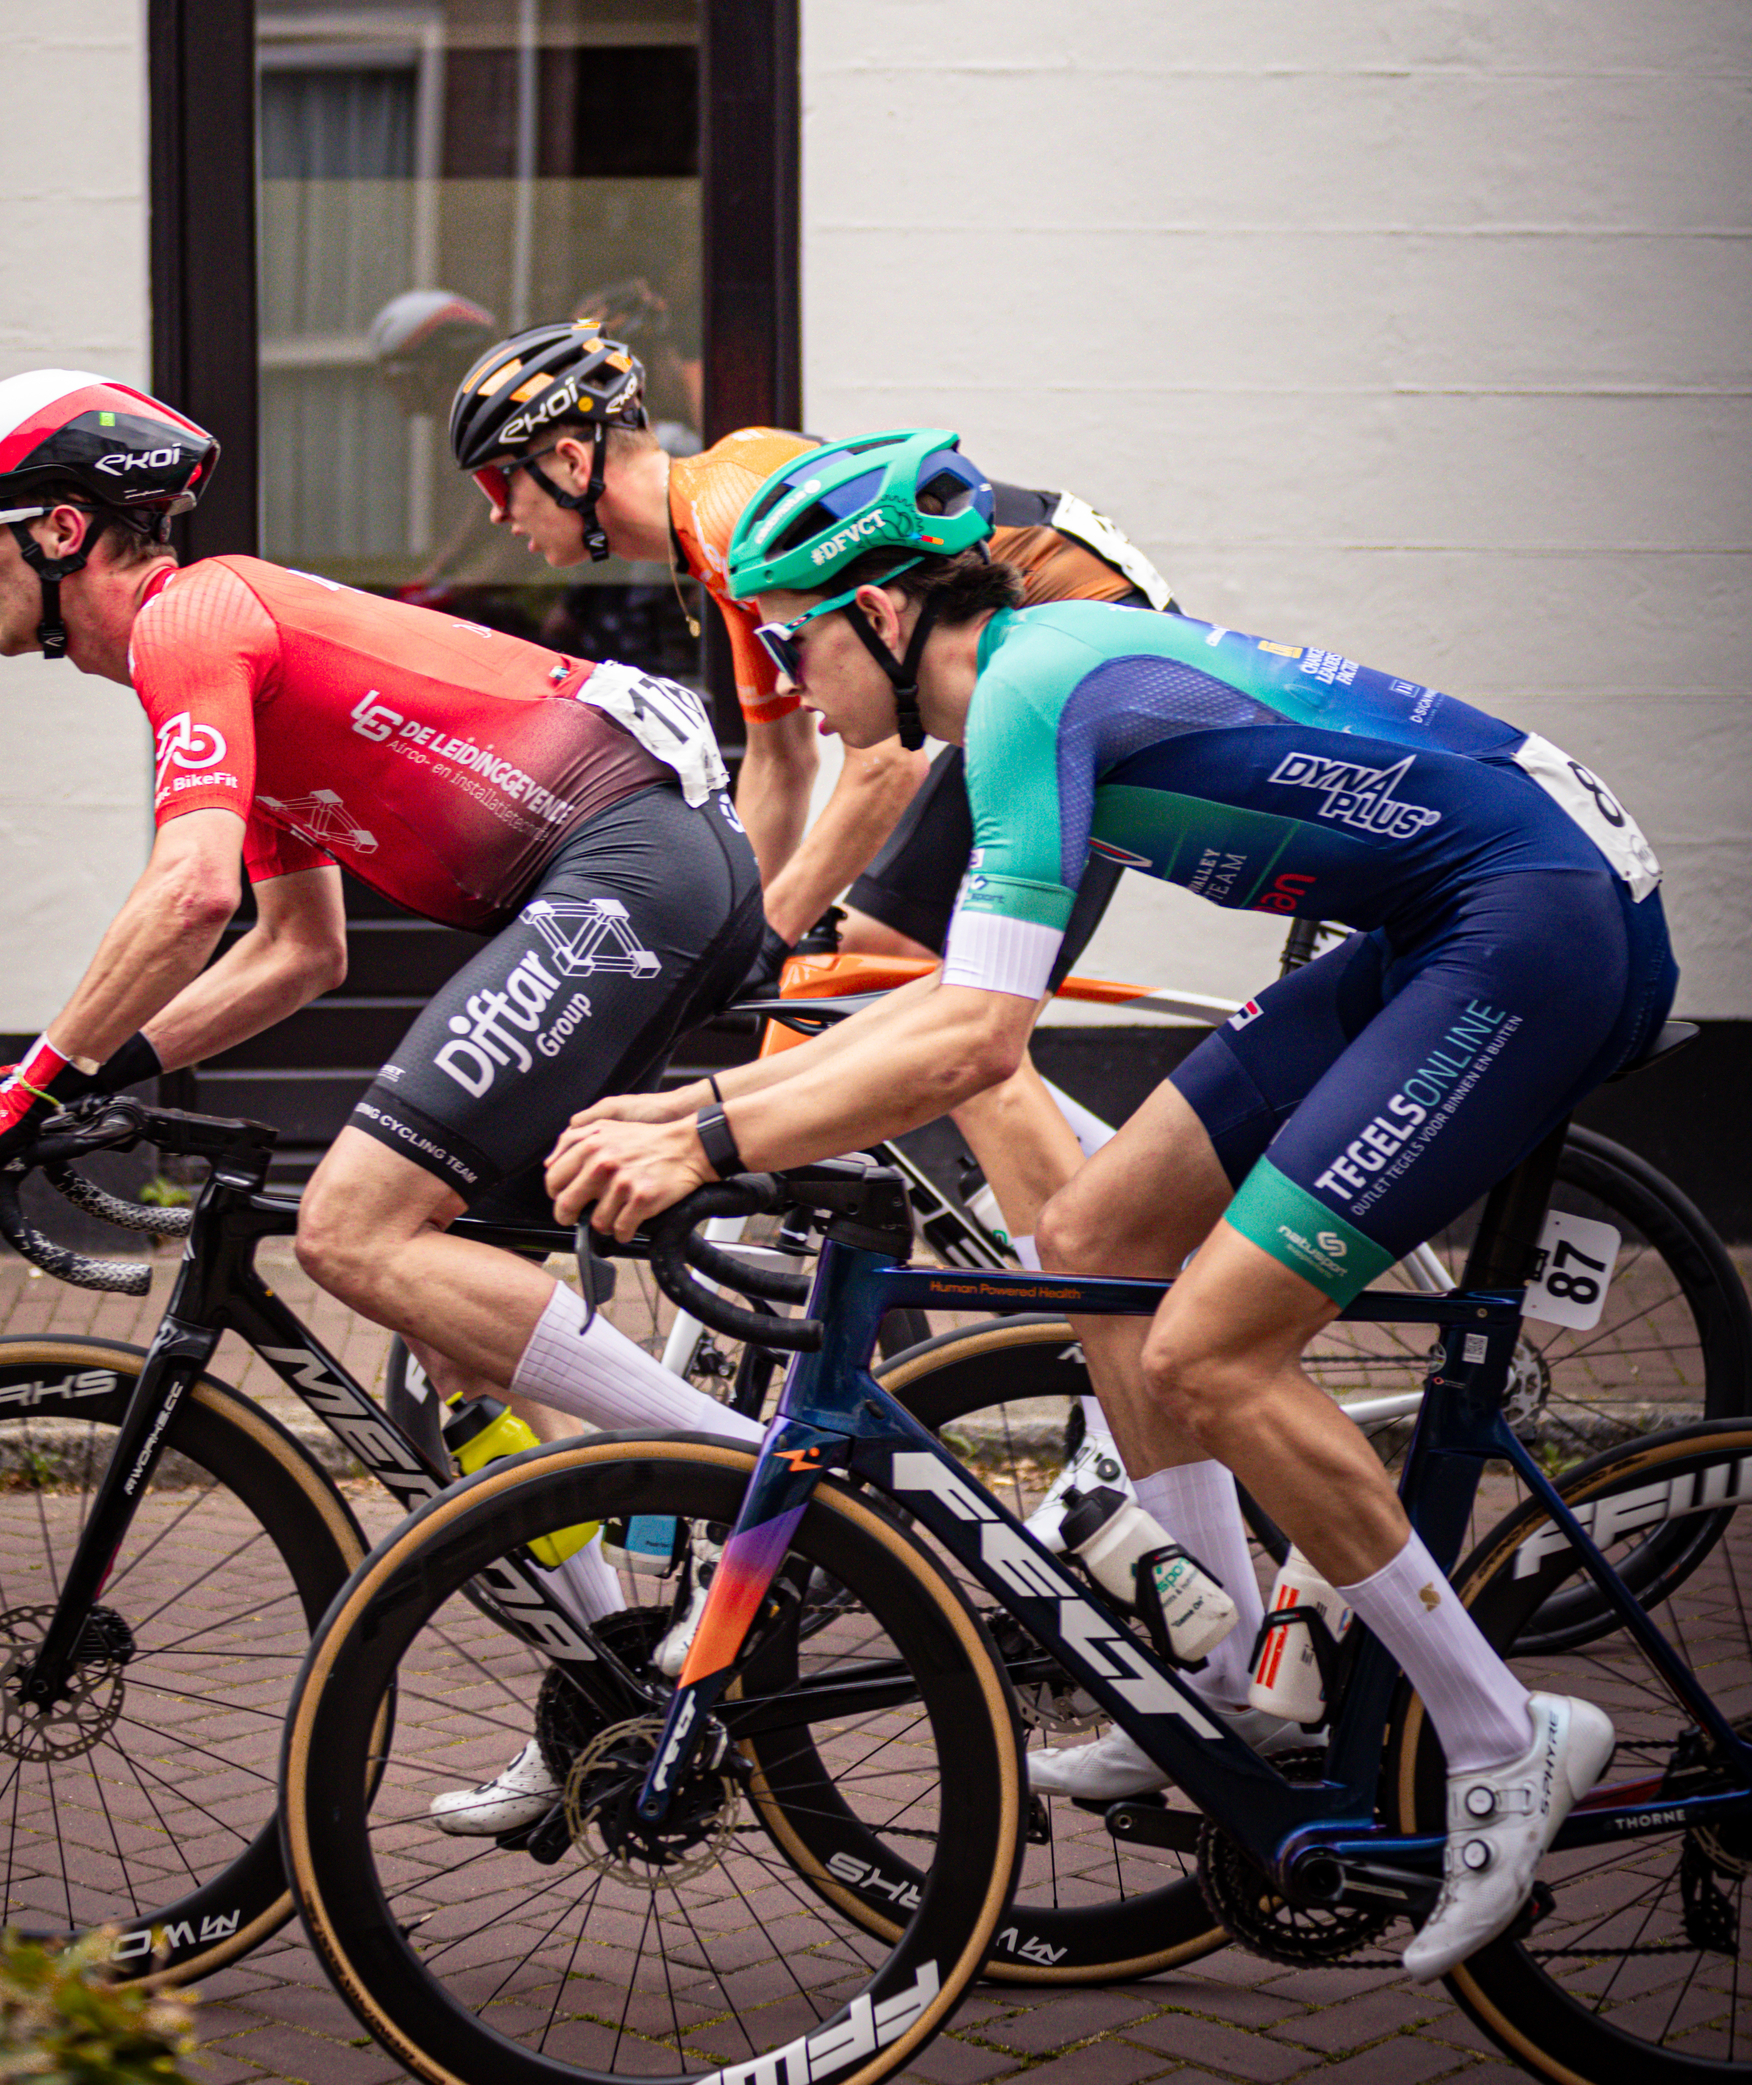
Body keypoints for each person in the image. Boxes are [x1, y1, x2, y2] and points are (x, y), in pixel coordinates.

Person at [548, 428, 1677, 1980]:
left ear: (884, 615)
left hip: (1538, 926)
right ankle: (1221, 1665)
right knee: (1090, 1241)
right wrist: (693, 1110)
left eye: (801, 631)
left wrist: (716, 1136)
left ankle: (1504, 1729)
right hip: (1443, 917)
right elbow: (947, 1007)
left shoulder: (1025, 691)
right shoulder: (1016, 691)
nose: (791, 671)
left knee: (1215, 1349)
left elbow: (974, 1038)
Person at [0, 367, 768, 1825]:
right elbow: (296, 951)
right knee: (445, 1338)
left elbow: (182, 893)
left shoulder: (190, 618)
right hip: (621, 880)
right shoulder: (214, 658)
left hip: (625, 866)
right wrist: (93, 1079)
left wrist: (27, 1087)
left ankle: (782, 1490)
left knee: (354, 1234)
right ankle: (616, 1678)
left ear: (55, 532)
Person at [447, 316, 1175, 1243]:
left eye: (494, 483)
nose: (497, 516)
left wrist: (766, 931)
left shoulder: (730, 509)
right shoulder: (712, 524)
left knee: (918, 1003)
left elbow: (886, 769)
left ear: (568, 462)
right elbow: (782, 767)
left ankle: (1086, 1317)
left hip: (1080, 663)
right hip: (1036, 670)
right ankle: (1085, 1235)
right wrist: (728, 924)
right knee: (880, 983)